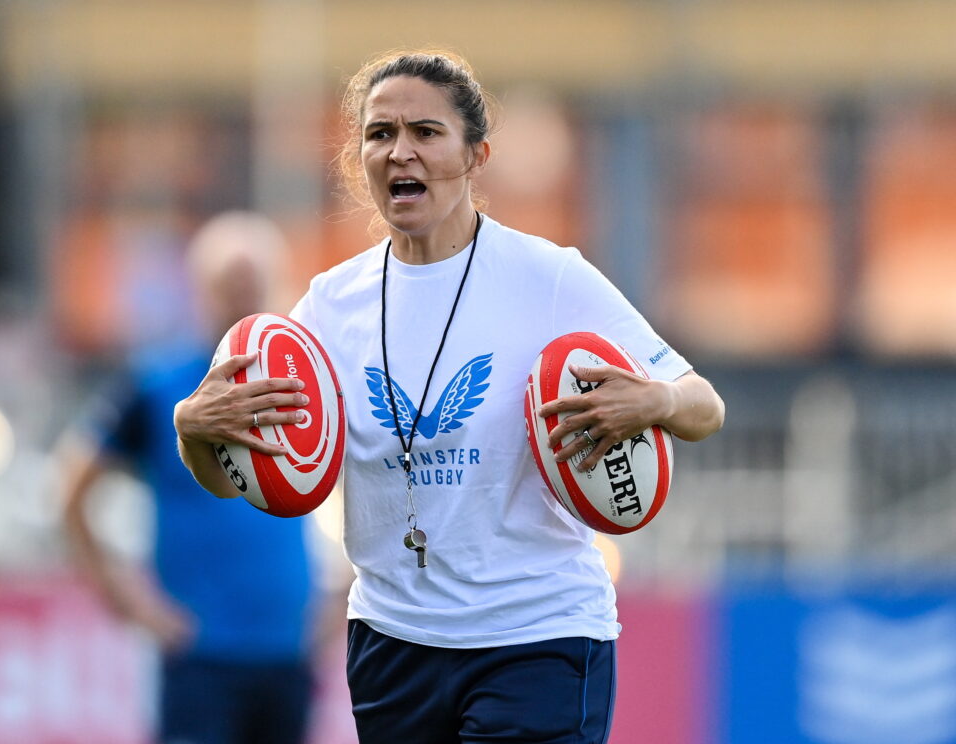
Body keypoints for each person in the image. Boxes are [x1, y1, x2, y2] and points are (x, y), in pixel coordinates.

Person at [173, 50, 726, 744]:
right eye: (380, 134)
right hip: (392, 644)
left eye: (425, 133)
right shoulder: (327, 309)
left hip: (538, 637)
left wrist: (654, 403)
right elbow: (234, 481)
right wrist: (193, 430)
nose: (400, 151)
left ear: (475, 155)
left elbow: (704, 404)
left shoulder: (548, 278)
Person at [59, 212, 319, 744]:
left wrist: (339, 597)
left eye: (253, 285)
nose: (241, 301)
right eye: (229, 287)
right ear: (200, 290)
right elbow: (71, 487)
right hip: (200, 654)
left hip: (288, 649)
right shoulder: (160, 385)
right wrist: (127, 598)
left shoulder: (299, 388)